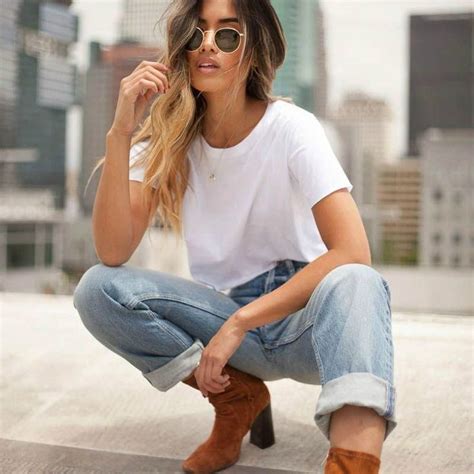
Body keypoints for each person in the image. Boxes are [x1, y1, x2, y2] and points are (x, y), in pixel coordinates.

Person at [73, 0, 397, 472]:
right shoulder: (168, 140)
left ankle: (352, 463)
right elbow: (113, 250)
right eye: (196, 34)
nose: (207, 45)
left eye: (227, 35)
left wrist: (241, 322)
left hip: (303, 319)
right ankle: (237, 400)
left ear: (252, 50)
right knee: (97, 290)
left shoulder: (291, 127)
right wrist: (121, 132)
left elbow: (353, 251)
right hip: (225, 321)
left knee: (359, 281)